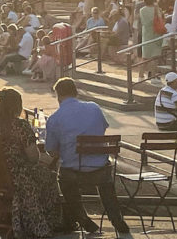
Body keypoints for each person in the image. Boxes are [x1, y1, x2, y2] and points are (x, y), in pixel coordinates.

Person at [45, 78, 129, 235]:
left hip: (73, 173)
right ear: (76, 92)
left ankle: (83, 220)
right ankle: (117, 218)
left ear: (58, 96)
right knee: (107, 186)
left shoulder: (55, 118)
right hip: (101, 170)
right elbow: (102, 130)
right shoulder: (94, 108)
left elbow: (51, 150)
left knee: (63, 180)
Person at [0, 88, 62, 239]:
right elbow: (33, 158)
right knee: (49, 176)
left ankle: (18, 217)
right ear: (18, 106)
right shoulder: (20, 125)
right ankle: (46, 222)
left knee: (38, 173)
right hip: (16, 178)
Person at [138, 0, 164, 83]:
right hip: (156, 35)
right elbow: (160, 20)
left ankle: (140, 76)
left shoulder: (142, 10)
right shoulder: (157, 10)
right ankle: (153, 76)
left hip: (146, 35)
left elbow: (144, 22)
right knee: (154, 57)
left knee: (145, 57)